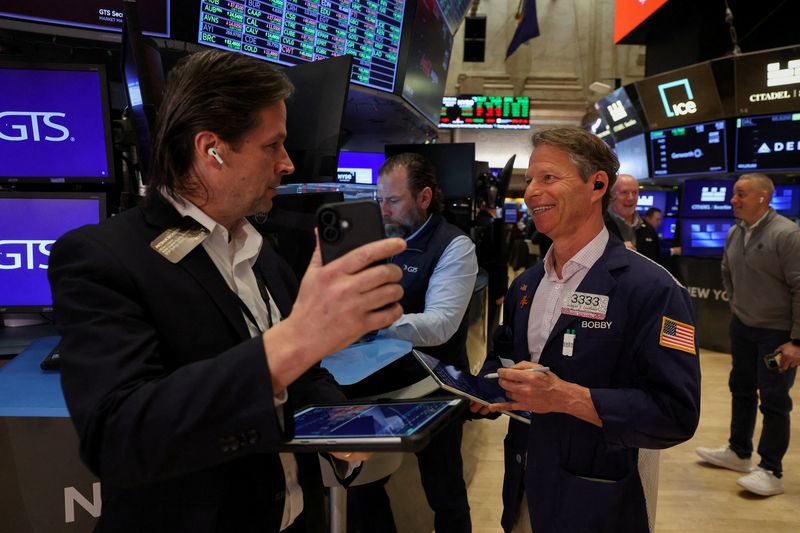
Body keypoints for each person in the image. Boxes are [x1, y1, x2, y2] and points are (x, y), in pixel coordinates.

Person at [47, 49, 406, 533]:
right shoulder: (102, 257)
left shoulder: (263, 252)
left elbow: (300, 376)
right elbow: (119, 436)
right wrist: (297, 338)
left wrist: (343, 424)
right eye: (273, 145)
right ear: (211, 148)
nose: (287, 164)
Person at [473, 127, 701, 532]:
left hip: (598, 499)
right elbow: (507, 355)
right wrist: (485, 388)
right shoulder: (525, 285)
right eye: (529, 180)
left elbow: (674, 414)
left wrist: (566, 397)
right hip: (524, 490)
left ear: (597, 184)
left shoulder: (652, 289)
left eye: (548, 178)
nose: (530, 192)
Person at [346, 152, 478, 533]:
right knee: (362, 486)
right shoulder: (376, 242)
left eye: (393, 200)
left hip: (434, 388)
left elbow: (441, 324)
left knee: (445, 492)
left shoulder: (454, 246)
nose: (383, 211)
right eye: (379, 200)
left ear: (423, 197)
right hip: (377, 385)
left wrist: (371, 324)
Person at [695, 173, 800, 496]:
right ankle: (739, 452)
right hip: (742, 327)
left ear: (762, 198)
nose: (732, 200)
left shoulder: (787, 234)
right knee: (740, 389)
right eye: (734, 194)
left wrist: (797, 341)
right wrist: (739, 308)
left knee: (774, 400)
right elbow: (728, 273)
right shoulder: (734, 232)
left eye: (740, 194)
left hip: (777, 334)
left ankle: (771, 469)